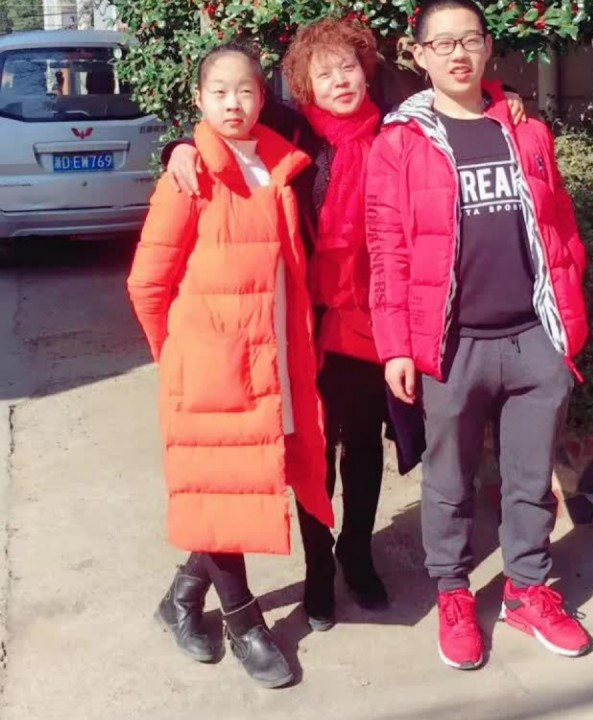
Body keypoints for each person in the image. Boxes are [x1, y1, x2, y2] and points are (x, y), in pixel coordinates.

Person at [164, 18, 527, 632]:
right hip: (305, 320)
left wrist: (503, 94)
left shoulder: (399, 127)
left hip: (371, 318)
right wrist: (179, 144)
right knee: (313, 451)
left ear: (367, 71)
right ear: (304, 84)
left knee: (361, 446)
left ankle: (355, 554)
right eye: (324, 73)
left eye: (348, 68)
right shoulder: (292, 131)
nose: (339, 82)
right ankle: (316, 569)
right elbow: (226, 118)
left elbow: (459, 98)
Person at [365, 0, 592, 671]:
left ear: (489, 47)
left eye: (469, 40)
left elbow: (559, 227)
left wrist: (564, 323)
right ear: (420, 55)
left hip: (533, 338)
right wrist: (396, 345)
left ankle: (527, 591)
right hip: (451, 344)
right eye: (442, 43)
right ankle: (454, 594)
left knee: (530, 480)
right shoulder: (400, 143)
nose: (458, 54)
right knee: (448, 483)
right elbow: (387, 250)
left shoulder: (526, 131)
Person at [127, 41, 333, 689]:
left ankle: (181, 601)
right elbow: (146, 284)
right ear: (199, 99)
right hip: (212, 371)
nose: (233, 103)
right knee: (224, 485)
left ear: (262, 96)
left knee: (238, 485)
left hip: (273, 358)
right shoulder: (187, 175)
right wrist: (179, 355)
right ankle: (246, 624)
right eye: (218, 92)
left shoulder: (276, 162)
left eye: (244, 90)